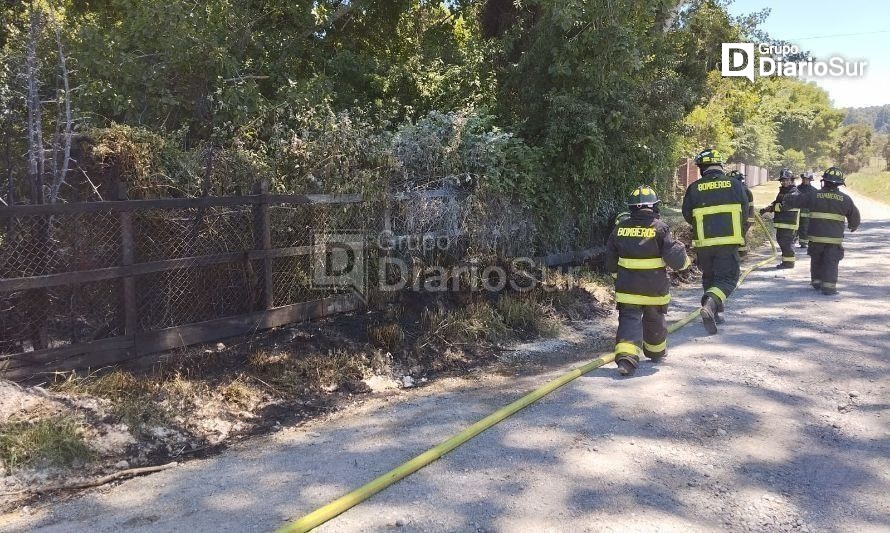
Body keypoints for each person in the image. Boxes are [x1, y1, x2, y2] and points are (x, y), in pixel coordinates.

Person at [605, 185, 690, 376]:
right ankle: (656, 351)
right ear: (654, 206)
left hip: (628, 289)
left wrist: (617, 277)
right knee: (655, 321)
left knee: (629, 320)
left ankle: (626, 360)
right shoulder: (660, 228)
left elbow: (610, 260)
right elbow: (675, 258)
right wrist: (686, 262)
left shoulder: (620, 229)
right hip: (654, 290)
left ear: (632, 208)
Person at [682, 149, 749, 335]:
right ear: (720, 165)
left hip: (704, 243)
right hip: (728, 242)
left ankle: (715, 313)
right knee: (728, 278)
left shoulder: (694, 188)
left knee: (710, 277)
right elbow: (745, 211)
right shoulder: (735, 185)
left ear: (702, 167)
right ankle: (710, 305)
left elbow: (687, 214)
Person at [783, 167, 860, 295]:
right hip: (834, 240)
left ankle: (816, 282)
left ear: (824, 181)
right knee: (831, 261)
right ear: (840, 183)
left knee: (816, 258)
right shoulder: (845, 199)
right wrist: (853, 225)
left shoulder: (814, 195)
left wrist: (786, 197)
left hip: (816, 237)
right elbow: (854, 216)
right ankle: (829, 287)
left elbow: (796, 200)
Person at [759, 169, 799, 269]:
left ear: (791, 180)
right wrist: (768, 207)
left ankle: (789, 263)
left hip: (790, 223)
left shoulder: (794, 193)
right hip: (782, 222)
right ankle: (786, 262)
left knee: (786, 243)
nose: (784, 182)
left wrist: (771, 208)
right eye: (783, 180)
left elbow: (784, 206)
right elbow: (777, 201)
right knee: (781, 241)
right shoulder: (782, 191)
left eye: (786, 180)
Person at [727, 170, 755, 256]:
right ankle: (740, 253)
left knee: (740, 236)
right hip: (744, 217)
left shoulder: (743, 190)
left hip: (745, 218)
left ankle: (742, 254)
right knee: (740, 235)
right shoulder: (742, 189)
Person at [796, 172, 818, 248]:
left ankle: (803, 242)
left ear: (810, 180)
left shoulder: (814, 190)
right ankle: (793, 240)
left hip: (807, 212)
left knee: (804, 227)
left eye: (807, 179)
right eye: (804, 179)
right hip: (797, 211)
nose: (805, 181)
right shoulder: (797, 188)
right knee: (795, 226)